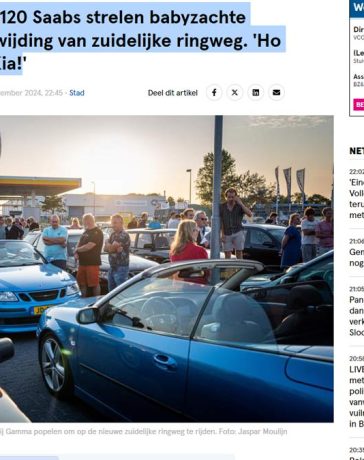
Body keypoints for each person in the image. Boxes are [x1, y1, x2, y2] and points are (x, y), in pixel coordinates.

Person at [74, 213, 104, 297]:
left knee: (94, 284)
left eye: (89, 220)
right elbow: (79, 243)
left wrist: (77, 250)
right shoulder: (86, 231)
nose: (87, 222)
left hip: (92, 263)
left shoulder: (97, 232)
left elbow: (89, 246)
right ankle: (83, 300)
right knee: (81, 284)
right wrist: (76, 252)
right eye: (85, 220)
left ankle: (96, 302)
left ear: (93, 220)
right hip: (82, 263)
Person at [220, 187, 252, 259]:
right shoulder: (222, 206)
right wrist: (222, 234)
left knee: (239, 252)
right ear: (226, 197)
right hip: (226, 233)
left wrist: (241, 203)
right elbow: (221, 221)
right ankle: (228, 270)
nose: (231, 199)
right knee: (227, 254)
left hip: (238, 232)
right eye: (229, 197)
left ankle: (239, 268)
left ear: (236, 197)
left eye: (232, 197)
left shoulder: (239, 206)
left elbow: (250, 214)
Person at [104, 214, 131, 291]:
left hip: (121, 268)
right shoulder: (113, 234)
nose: (113, 225)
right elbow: (105, 249)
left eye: (115, 222)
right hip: (112, 267)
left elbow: (112, 248)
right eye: (112, 222)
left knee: (120, 293)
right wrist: (109, 245)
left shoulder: (124, 235)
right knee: (111, 294)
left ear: (121, 223)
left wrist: (108, 244)